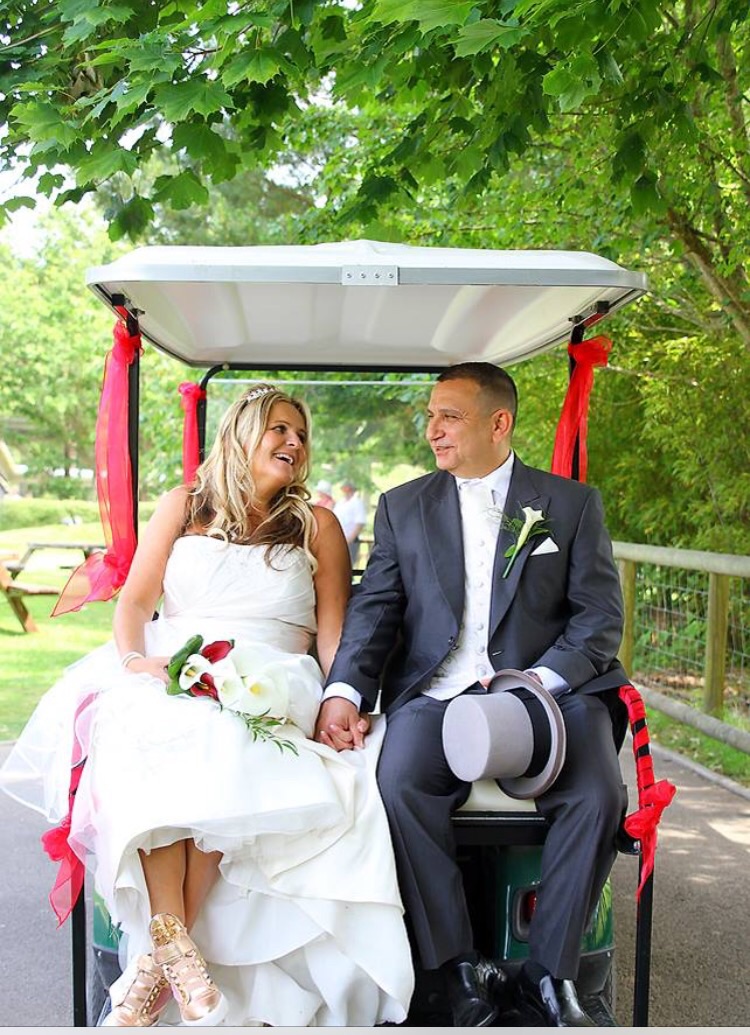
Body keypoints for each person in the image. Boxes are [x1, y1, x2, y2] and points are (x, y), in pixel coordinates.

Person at [0, 384, 414, 1027]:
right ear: (241, 432)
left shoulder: (317, 525)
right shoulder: (182, 507)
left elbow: (334, 635)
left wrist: (342, 697)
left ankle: (156, 964)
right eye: (280, 428)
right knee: (154, 729)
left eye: (301, 435)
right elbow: (135, 604)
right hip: (181, 659)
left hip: (276, 676)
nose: (294, 443)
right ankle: (177, 952)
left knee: (226, 739)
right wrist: (138, 662)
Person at [315, 361, 629, 1028]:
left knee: (599, 791)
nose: (432, 429)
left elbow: (598, 618)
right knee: (399, 782)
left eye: (447, 416)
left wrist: (535, 683)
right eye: (430, 416)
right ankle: (459, 967)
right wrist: (344, 689)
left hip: (546, 690)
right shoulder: (403, 506)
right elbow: (376, 608)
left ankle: (548, 973)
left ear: (499, 422)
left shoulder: (570, 505)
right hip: (441, 690)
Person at [333, 479, 367, 568]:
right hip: (338, 539)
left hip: (350, 540)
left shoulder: (357, 502)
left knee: (347, 566)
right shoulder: (341, 502)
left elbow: (360, 522)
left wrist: (349, 539)